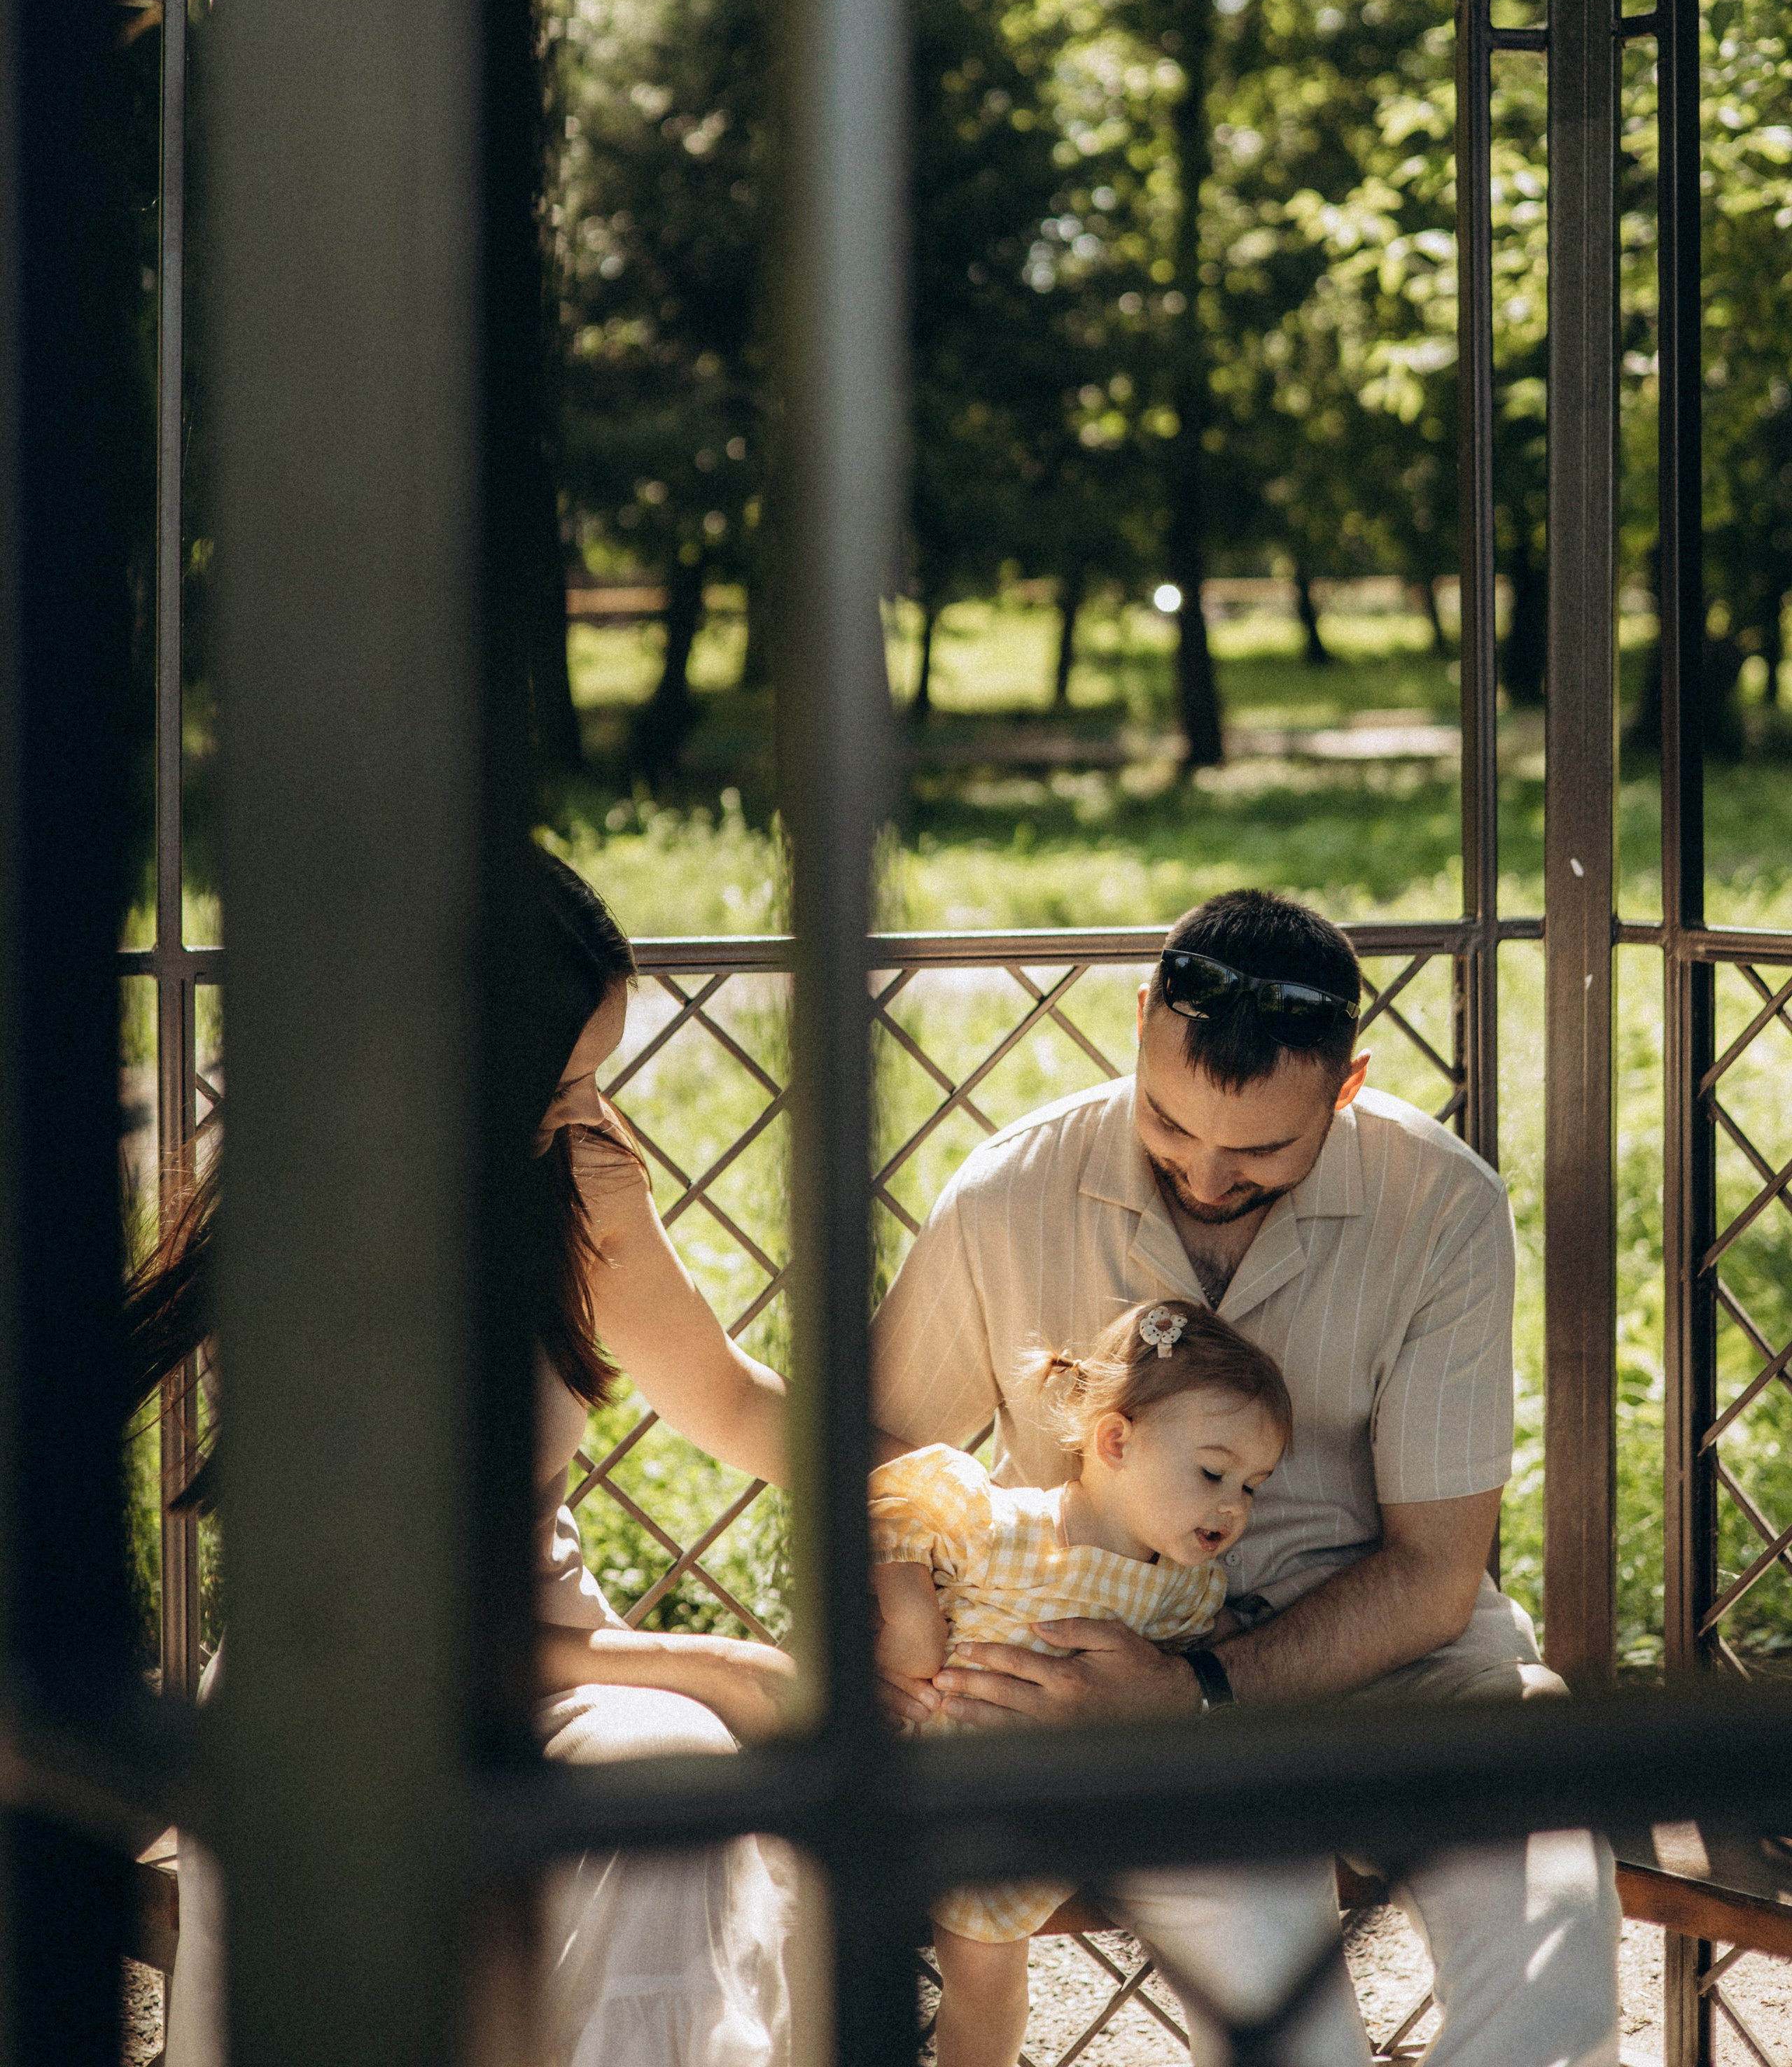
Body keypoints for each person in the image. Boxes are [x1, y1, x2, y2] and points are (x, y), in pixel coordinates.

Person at [870, 887, 1621, 2067]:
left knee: (1557, 1972)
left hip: (1409, 1672)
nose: (1208, 1176)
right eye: (1171, 1126)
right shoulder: (1008, 1191)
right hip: (1109, 1707)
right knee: (1293, 2027)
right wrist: (901, 1610)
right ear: (1136, 1029)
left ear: (1349, 1085)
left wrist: (1204, 1687)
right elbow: (874, 1447)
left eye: (1263, 1147)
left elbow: (1433, 1576)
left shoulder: (1445, 1206)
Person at [128, 844, 798, 2067]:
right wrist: (722, 1668)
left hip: (563, 1667)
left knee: (664, 1779)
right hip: (350, 1690)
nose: (593, 1106)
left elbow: (731, 1402)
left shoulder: (573, 1176)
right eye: (564, 1076)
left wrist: (935, 1488)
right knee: (677, 1753)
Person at [871, 1299, 1289, 2067]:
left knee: (995, 1978)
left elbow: (1199, 1661)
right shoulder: (1006, 1527)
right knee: (971, 1971)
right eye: (1212, 1472)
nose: (1232, 1507)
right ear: (1114, 1441)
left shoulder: (1183, 1588)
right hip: (948, 1779)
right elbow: (895, 1499)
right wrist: (906, 1613)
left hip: (1061, 1801)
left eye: (1253, 1487)